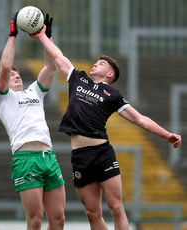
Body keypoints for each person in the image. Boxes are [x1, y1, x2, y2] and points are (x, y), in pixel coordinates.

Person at [31, 25, 182, 230]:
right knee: (92, 213)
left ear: (110, 73)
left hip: (102, 153)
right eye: (95, 62)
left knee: (116, 208)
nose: (95, 64)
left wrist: (167, 135)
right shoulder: (78, 78)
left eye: (100, 64)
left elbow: (139, 119)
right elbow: (58, 56)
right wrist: (42, 36)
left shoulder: (113, 95)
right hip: (80, 156)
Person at [0, 14, 65, 230]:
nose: (15, 75)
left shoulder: (34, 91)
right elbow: (5, 68)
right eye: (10, 75)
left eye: (17, 73)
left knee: (58, 220)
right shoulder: (3, 98)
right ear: (0, 85)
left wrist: (47, 36)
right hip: (26, 159)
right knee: (35, 221)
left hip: (48, 157)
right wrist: (13, 34)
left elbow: (51, 67)